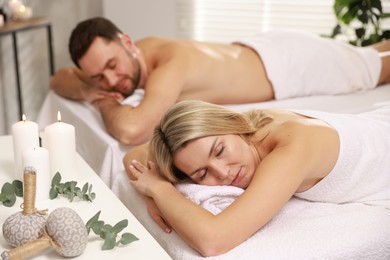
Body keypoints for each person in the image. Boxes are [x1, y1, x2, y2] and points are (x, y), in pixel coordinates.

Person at [50, 17, 390, 145]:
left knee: (376, 67)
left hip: (290, 65)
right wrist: (86, 84)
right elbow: (58, 79)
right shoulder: (134, 57)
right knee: (366, 55)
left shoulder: (169, 64)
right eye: (98, 76)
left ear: (127, 42)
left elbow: (131, 130)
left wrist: (101, 98)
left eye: (112, 66)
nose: (112, 81)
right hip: (263, 48)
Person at [126, 100, 390, 256]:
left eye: (219, 150)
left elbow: (213, 240)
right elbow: (135, 155)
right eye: (201, 174)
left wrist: (160, 190)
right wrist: (146, 192)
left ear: (234, 125)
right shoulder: (240, 130)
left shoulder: (292, 146)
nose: (223, 173)